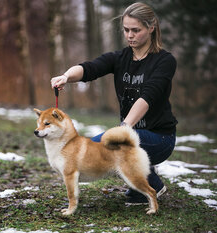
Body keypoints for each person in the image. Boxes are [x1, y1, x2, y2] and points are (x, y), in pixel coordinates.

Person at [50, 2, 177, 204]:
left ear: (151, 28)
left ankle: (151, 182)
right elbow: (90, 68)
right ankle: (145, 184)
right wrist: (66, 76)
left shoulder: (164, 61)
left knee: (102, 145)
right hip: (133, 135)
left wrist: (125, 127)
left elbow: (148, 97)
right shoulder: (120, 58)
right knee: (111, 146)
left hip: (160, 138)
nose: (130, 35)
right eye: (126, 30)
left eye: (136, 30)